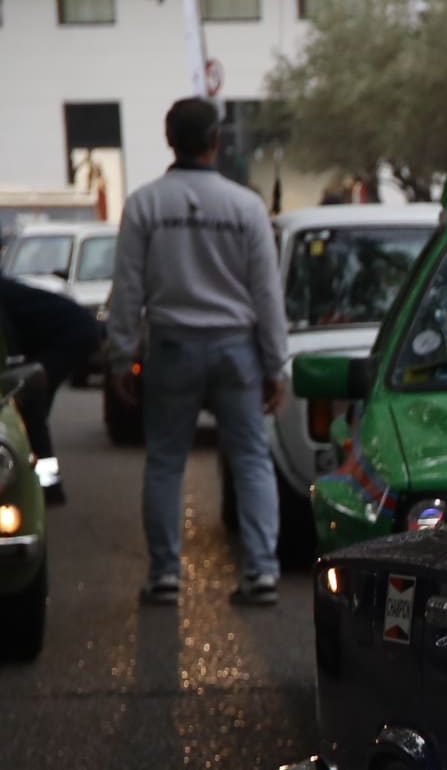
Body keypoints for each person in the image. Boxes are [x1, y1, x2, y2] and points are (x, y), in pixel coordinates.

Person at [107, 97, 287, 606]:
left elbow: (127, 289)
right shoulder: (245, 206)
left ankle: (165, 574)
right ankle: (260, 572)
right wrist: (276, 365)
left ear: (170, 139)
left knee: (165, 461)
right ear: (216, 140)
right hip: (236, 350)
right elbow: (266, 294)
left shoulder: (145, 204)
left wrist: (122, 357)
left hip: (171, 346)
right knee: (251, 458)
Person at [0, 274, 102, 503]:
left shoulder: (3, 298)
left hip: (72, 336)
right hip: (71, 333)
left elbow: (10, 350)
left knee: (29, 403)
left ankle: (48, 486)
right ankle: (42, 481)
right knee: (31, 405)